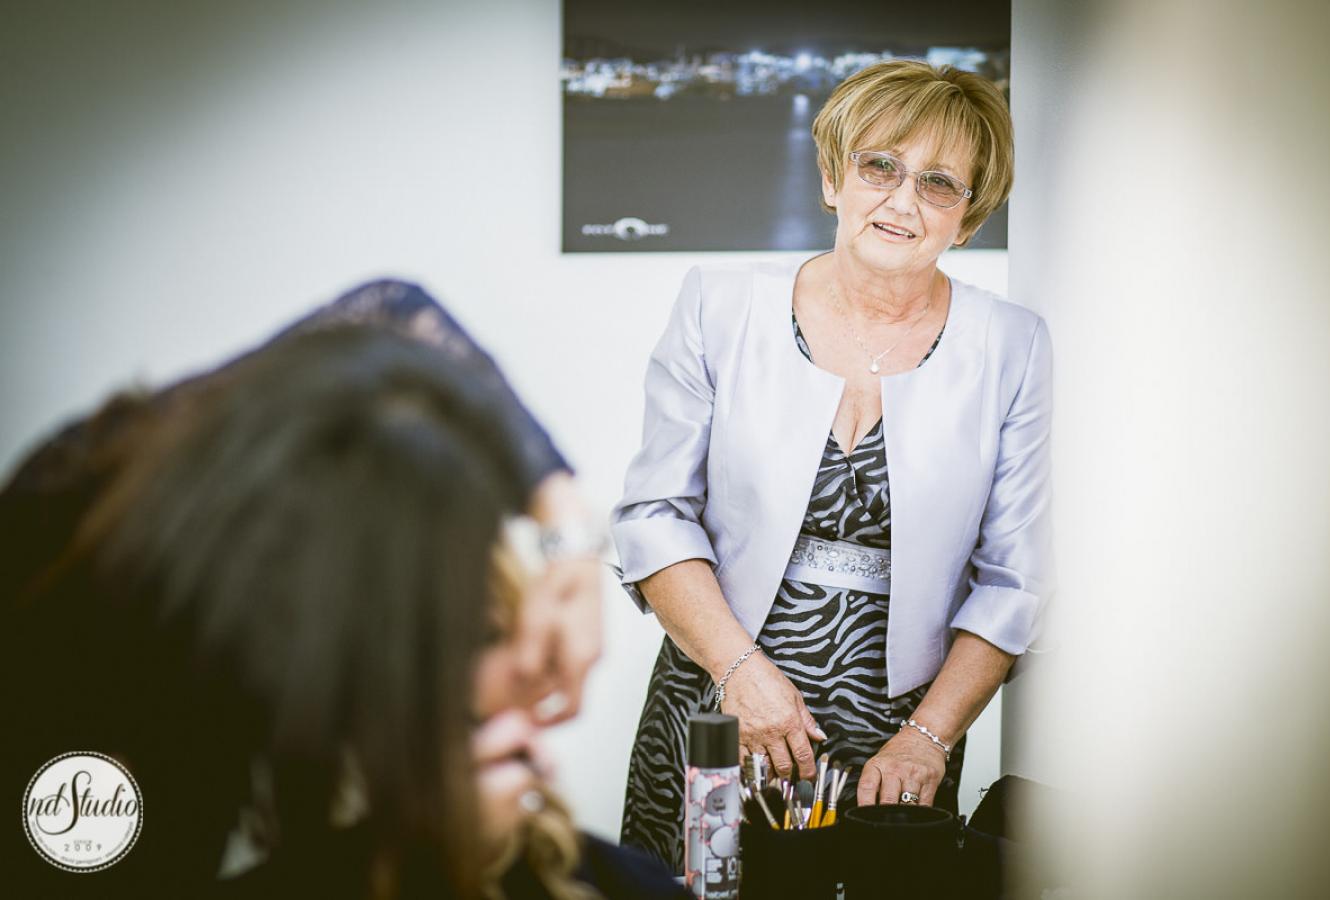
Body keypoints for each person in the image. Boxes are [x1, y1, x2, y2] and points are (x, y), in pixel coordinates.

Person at [2, 283, 682, 898]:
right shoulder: (97, 678)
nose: (523, 678)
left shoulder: (264, 432)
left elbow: (394, 310)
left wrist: (566, 524)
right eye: (455, 642)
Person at [614, 60, 1053, 870]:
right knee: (694, 885)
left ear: (970, 215)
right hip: (718, 694)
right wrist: (739, 674)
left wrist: (929, 737)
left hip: (901, 734)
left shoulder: (1012, 345)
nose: (901, 200)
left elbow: (1014, 580)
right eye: (879, 165)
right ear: (832, 177)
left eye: (939, 182)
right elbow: (653, 516)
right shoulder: (719, 304)